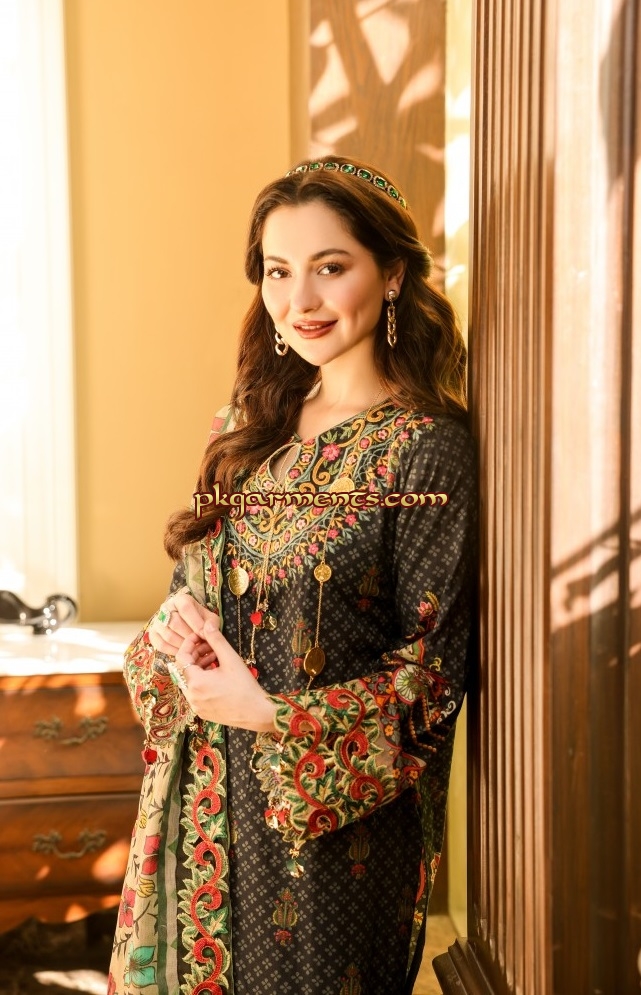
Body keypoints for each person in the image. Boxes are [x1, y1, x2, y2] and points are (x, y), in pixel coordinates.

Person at [108, 156, 477, 995]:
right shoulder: (250, 424)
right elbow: (187, 593)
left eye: (330, 267)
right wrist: (177, 635)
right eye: (278, 271)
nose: (299, 298)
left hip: (328, 852)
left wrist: (268, 712)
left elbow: (432, 677)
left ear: (391, 273)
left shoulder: (424, 449)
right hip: (199, 804)